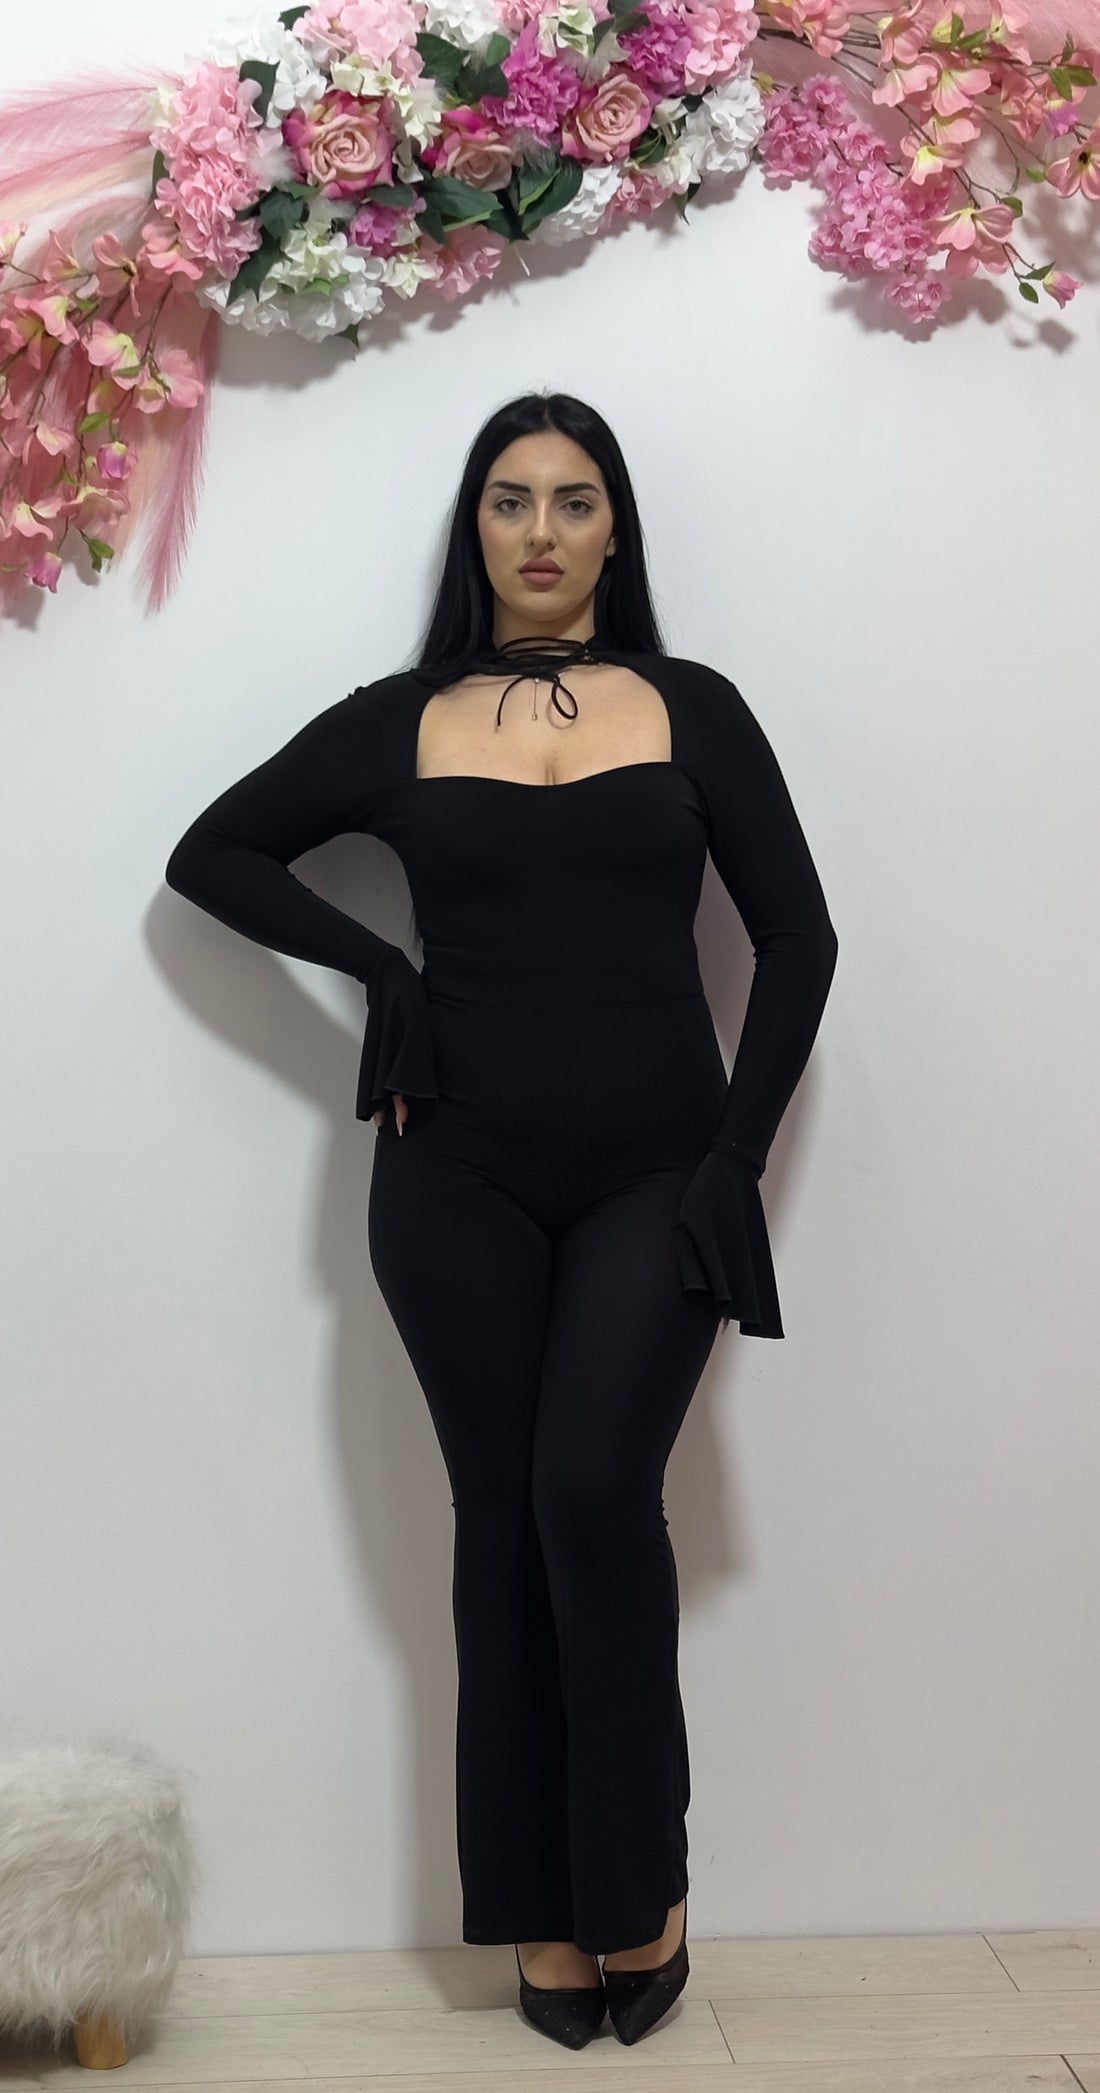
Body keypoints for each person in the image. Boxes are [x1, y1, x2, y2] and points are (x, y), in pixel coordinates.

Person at [163, 389, 839, 2050]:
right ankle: (538, 1911)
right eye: (511, 499)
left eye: (575, 499)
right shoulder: (401, 720)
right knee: (498, 1524)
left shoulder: (693, 709)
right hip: (452, 1173)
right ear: (476, 527)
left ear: (616, 529)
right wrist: (380, 972)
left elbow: (801, 939)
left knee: (591, 1495)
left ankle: (640, 1889)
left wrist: (733, 1157)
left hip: (654, 1170)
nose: (542, 530)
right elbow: (215, 852)